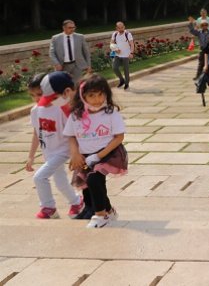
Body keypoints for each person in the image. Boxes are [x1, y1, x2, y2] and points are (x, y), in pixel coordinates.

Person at [65, 74, 128, 228]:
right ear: (82, 96)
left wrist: (98, 156)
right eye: (92, 95)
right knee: (88, 185)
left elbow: (119, 137)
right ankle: (108, 210)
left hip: (108, 154)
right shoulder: (76, 115)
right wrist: (75, 154)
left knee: (94, 179)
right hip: (84, 155)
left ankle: (101, 215)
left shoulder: (110, 112)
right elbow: (71, 136)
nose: (97, 99)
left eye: (101, 94)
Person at [25, 72, 84, 220]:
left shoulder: (61, 108)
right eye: (33, 95)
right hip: (48, 151)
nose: (37, 98)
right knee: (60, 182)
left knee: (39, 177)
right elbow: (36, 133)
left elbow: (72, 132)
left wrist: (76, 152)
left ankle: (48, 208)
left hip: (63, 150)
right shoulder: (35, 111)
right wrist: (31, 156)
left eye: (39, 94)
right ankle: (76, 202)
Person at [49, 20, 91, 84]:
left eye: (73, 27)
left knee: (77, 84)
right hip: (62, 66)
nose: (72, 29)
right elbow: (51, 53)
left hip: (77, 65)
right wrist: (57, 63)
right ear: (64, 28)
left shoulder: (80, 37)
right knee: (63, 84)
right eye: (70, 28)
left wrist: (88, 65)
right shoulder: (55, 38)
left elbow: (86, 52)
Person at [110, 22, 134, 90]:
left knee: (126, 70)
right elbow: (111, 43)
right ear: (116, 28)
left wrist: (131, 53)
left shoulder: (128, 34)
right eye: (119, 28)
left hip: (126, 55)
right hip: (117, 55)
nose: (121, 29)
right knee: (114, 68)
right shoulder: (114, 34)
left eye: (122, 27)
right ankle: (121, 80)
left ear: (124, 27)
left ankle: (126, 83)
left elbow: (132, 44)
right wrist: (115, 49)